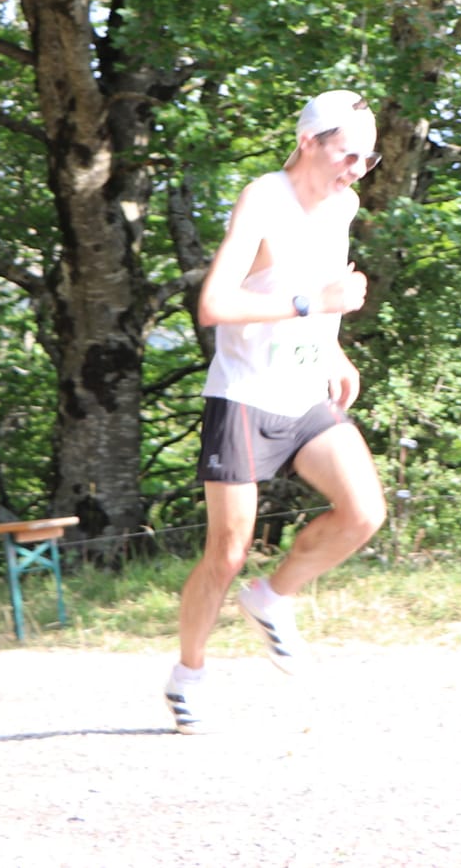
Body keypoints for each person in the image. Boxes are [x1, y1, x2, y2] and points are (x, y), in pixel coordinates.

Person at [166, 89, 389, 732]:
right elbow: (216, 304)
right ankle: (189, 673)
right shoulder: (265, 198)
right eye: (349, 155)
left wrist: (334, 352)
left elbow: (323, 293)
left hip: (303, 394)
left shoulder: (342, 205)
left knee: (364, 511)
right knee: (227, 551)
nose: (357, 172)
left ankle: (272, 598)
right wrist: (311, 301)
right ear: (308, 142)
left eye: (368, 162)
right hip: (242, 395)